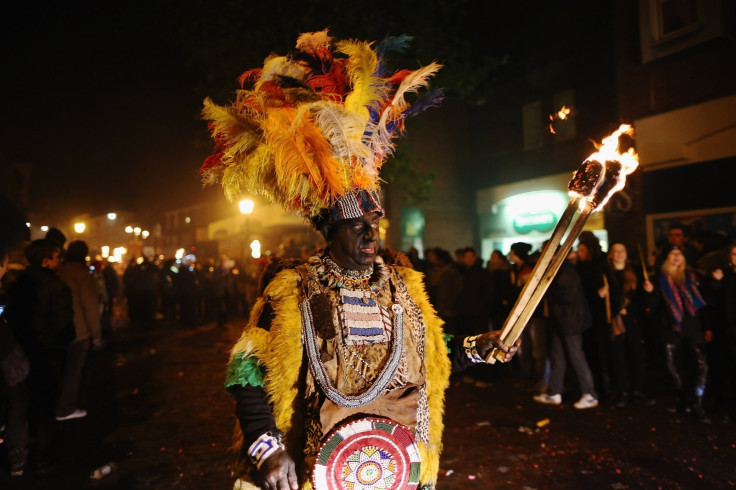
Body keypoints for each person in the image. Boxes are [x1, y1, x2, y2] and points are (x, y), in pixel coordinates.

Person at [201, 30, 520, 489]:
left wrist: (477, 347)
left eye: (376, 221)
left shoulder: (403, 286)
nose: (371, 232)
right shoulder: (292, 290)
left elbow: (429, 353)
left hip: (398, 465)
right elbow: (246, 371)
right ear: (332, 231)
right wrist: (267, 448)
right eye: (357, 224)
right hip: (320, 469)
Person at [6, 239, 75, 472]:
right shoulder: (57, 287)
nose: (60, 261)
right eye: (57, 256)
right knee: (45, 407)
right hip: (46, 355)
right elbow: (64, 326)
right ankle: (44, 459)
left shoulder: (18, 285)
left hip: (19, 354)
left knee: (20, 405)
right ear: (47, 260)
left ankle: (20, 454)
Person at [646, 245, 710, 421]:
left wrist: (708, 327)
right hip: (670, 327)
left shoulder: (693, 276)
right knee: (672, 367)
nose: (676, 256)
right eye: (672, 253)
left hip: (693, 327)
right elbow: (653, 306)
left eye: (679, 253)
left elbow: (705, 302)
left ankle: (697, 402)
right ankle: (684, 398)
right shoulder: (658, 279)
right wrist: (649, 293)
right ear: (666, 258)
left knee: (701, 365)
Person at [534, 255, 598, 409]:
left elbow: (566, 295)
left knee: (576, 356)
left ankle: (590, 394)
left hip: (569, 321)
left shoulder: (566, 271)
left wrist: (545, 287)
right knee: (557, 355)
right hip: (559, 321)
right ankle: (554, 392)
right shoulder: (559, 270)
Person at [56, 240, 102, 421]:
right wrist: (96, 335)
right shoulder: (82, 275)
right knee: (73, 372)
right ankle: (65, 408)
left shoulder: (59, 271)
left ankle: (55, 405)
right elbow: (90, 306)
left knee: (59, 370)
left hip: (58, 329)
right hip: (79, 330)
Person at [602, 243, 653, 407]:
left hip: (633, 320)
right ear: (611, 254)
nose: (619, 254)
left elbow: (642, 299)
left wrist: (648, 291)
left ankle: (637, 391)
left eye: (622, 251)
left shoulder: (636, 271)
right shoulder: (605, 273)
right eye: (615, 251)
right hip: (614, 321)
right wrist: (602, 295)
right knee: (618, 358)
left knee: (637, 356)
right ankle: (621, 392)